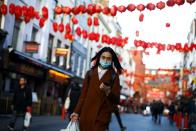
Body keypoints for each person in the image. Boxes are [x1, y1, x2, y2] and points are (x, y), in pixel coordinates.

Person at [70, 47, 123, 131]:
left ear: (112, 60)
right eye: (103, 57)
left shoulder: (114, 76)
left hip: (102, 117)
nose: (105, 60)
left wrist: (108, 91)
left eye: (108, 58)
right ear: (99, 58)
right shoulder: (90, 73)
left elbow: (117, 99)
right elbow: (82, 96)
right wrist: (76, 112)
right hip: (86, 115)